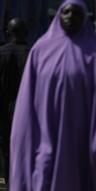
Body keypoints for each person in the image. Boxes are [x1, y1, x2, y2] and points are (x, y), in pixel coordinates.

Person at [10, 0, 96, 190]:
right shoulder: (40, 50)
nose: (70, 17)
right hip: (45, 143)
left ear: (84, 18)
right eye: (66, 12)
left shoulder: (94, 52)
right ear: (58, 15)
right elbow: (26, 101)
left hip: (81, 144)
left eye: (76, 13)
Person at [0, 17, 28, 184]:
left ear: (7, 33)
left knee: (5, 147)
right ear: (26, 32)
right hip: (25, 110)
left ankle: (10, 181)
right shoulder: (33, 54)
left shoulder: (1, 53)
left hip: (3, 108)